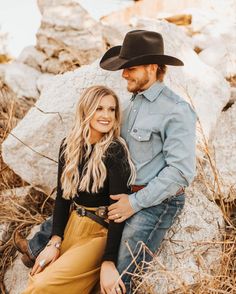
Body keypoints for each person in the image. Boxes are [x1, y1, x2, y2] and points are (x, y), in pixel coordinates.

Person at [14, 30, 196, 293]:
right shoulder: (128, 104)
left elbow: (181, 172)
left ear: (153, 67)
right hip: (118, 194)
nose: (123, 75)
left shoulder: (176, 110)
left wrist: (133, 204)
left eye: (130, 68)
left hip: (156, 201)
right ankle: (40, 247)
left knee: (117, 279)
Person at [20, 85, 136, 294]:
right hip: (73, 225)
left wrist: (108, 261)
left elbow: (118, 210)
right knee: (37, 275)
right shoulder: (69, 145)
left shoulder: (114, 150)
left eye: (111, 110)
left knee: (42, 285)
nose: (107, 115)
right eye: (99, 108)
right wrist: (54, 241)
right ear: (86, 110)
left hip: (98, 232)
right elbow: (63, 199)